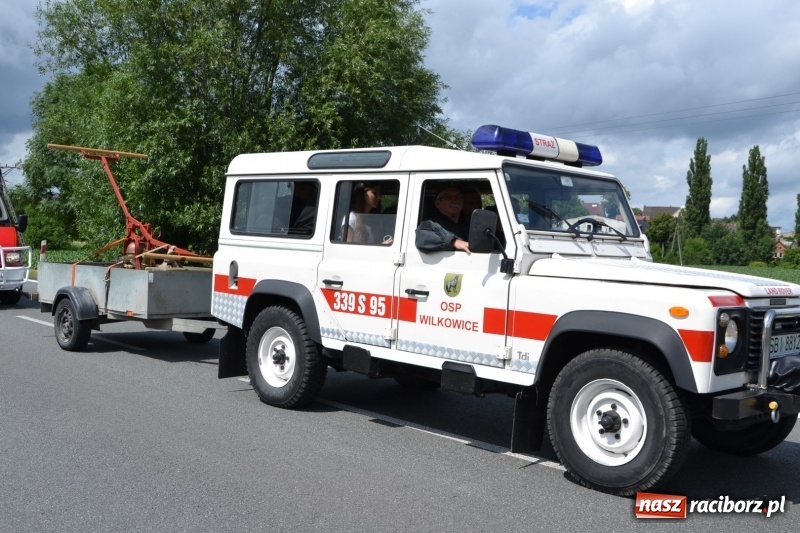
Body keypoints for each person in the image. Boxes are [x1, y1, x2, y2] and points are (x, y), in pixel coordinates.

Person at [415, 185, 471, 253]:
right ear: (437, 204)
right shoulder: (431, 224)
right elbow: (423, 240)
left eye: (458, 197)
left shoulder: (466, 226)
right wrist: (453, 242)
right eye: (448, 197)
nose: (454, 200)